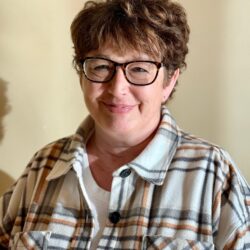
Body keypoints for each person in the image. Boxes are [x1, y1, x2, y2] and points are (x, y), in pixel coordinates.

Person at [0, 0, 250, 249]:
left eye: (140, 69)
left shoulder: (213, 174)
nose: (117, 89)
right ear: (81, 76)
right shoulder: (42, 168)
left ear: (170, 81)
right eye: (101, 67)